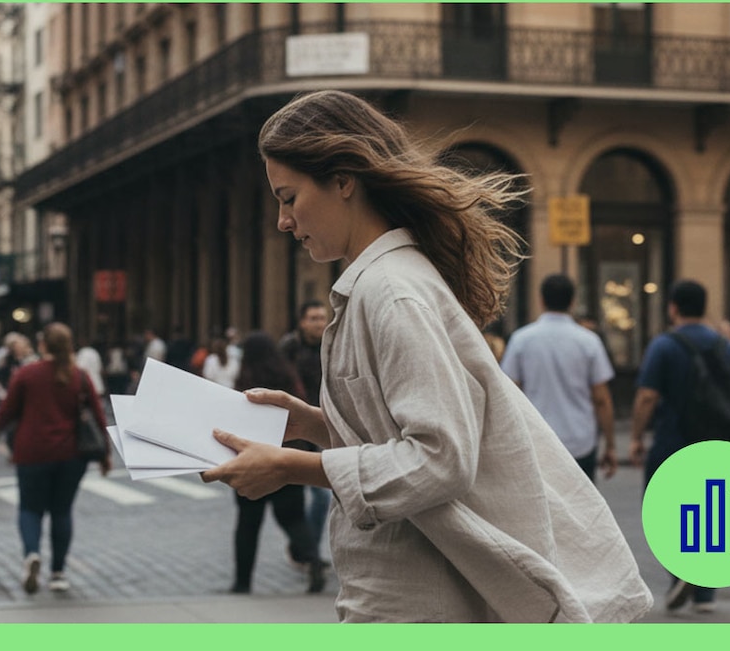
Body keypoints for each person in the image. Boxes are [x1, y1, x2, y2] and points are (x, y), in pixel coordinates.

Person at [201, 90, 652, 623]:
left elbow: (440, 459)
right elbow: (403, 436)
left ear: (344, 181)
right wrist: (314, 425)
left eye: (289, 197)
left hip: (416, 599)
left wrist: (292, 467)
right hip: (405, 590)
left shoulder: (391, 292)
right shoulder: (379, 284)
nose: (282, 221)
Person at [629, 279, 730, 615]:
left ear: (673, 307)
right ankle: (705, 593)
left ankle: (681, 573)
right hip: (717, 441)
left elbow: (647, 396)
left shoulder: (664, 346)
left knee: (662, 509)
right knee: (711, 510)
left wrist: (637, 437)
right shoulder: (725, 346)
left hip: (672, 440)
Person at [0, 322, 111, 595]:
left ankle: (32, 554)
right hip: (71, 455)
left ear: (42, 345)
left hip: (32, 453)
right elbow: (98, 415)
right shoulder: (80, 376)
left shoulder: (27, 374)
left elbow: (5, 412)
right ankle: (58, 573)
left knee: (30, 509)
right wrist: (105, 454)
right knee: (62, 511)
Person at [227, 331, 326, 594]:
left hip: (253, 457)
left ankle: (242, 582)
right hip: (289, 456)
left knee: (248, 523)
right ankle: (313, 560)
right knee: (294, 519)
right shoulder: (287, 376)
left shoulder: (245, 381)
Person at [500, 274, 617, 482]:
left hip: (538, 441)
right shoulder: (589, 341)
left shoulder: (521, 340)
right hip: (580, 440)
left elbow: (508, 392)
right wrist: (610, 444)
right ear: (572, 302)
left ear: (541, 300)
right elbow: (602, 399)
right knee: (583, 508)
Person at [279, 300, 333, 562]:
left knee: (322, 497)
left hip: (324, 425)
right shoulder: (289, 348)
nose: (319, 323)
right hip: (292, 429)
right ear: (302, 322)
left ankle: (306, 551)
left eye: (322, 318)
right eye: (313, 318)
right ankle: (305, 550)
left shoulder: (332, 345)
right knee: (294, 498)